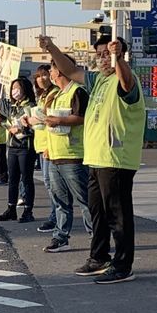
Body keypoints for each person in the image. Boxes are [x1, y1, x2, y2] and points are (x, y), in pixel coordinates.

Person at [40, 34, 145, 284]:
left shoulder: (125, 80)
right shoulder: (97, 81)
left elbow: (126, 82)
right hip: (96, 158)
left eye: (106, 54)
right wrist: (52, 47)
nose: (102, 59)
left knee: (118, 214)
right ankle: (98, 257)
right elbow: (70, 69)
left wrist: (118, 57)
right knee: (97, 212)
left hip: (116, 158)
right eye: (99, 55)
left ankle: (123, 265)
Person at [42, 57, 93, 252]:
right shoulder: (56, 95)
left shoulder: (77, 91)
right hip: (55, 155)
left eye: (52, 71)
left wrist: (59, 121)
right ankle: (60, 237)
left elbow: (81, 117)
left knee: (84, 200)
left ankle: (96, 237)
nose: (51, 75)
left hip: (73, 156)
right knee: (60, 201)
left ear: (61, 71)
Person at [0, 77, 37, 223]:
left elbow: (37, 128)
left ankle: (28, 210)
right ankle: (11, 208)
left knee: (26, 179)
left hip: (26, 147)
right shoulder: (13, 107)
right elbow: (1, 108)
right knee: (13, 179)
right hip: (12, 147)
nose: (14, 91)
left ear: (25, 89)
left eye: (17, 88)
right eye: (13, 88)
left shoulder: (31, 107)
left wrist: (22, 129)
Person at [23, 65, 61, 233]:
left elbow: (45, 116)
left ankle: (56, 217)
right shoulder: (42, 95)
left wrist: (32, 119)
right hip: (41, 144)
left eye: (46, 74)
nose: (42, 78)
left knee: (53, 184)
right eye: (39, 76)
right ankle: (56, 216)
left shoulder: (53, 93)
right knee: (49, 183)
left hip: (49, 144)